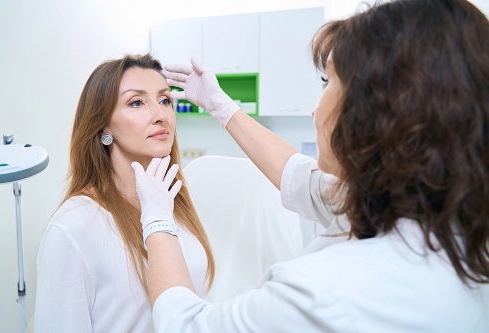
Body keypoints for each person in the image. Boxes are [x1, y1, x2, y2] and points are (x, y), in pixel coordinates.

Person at [132, 0, 489, 332]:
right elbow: (300, 179)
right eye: (136, 103)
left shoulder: (330, 289)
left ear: (375, 111)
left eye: (328, 81)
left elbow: (185, 326)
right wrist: (221, 105)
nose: (315, 109)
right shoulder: (449, 224)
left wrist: (158, 221)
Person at [35, 54, 215, 332]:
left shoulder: (171, 202)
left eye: (165, 100)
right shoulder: (73, 227)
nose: (160, 115)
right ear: (104, 125)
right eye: (137, 102)